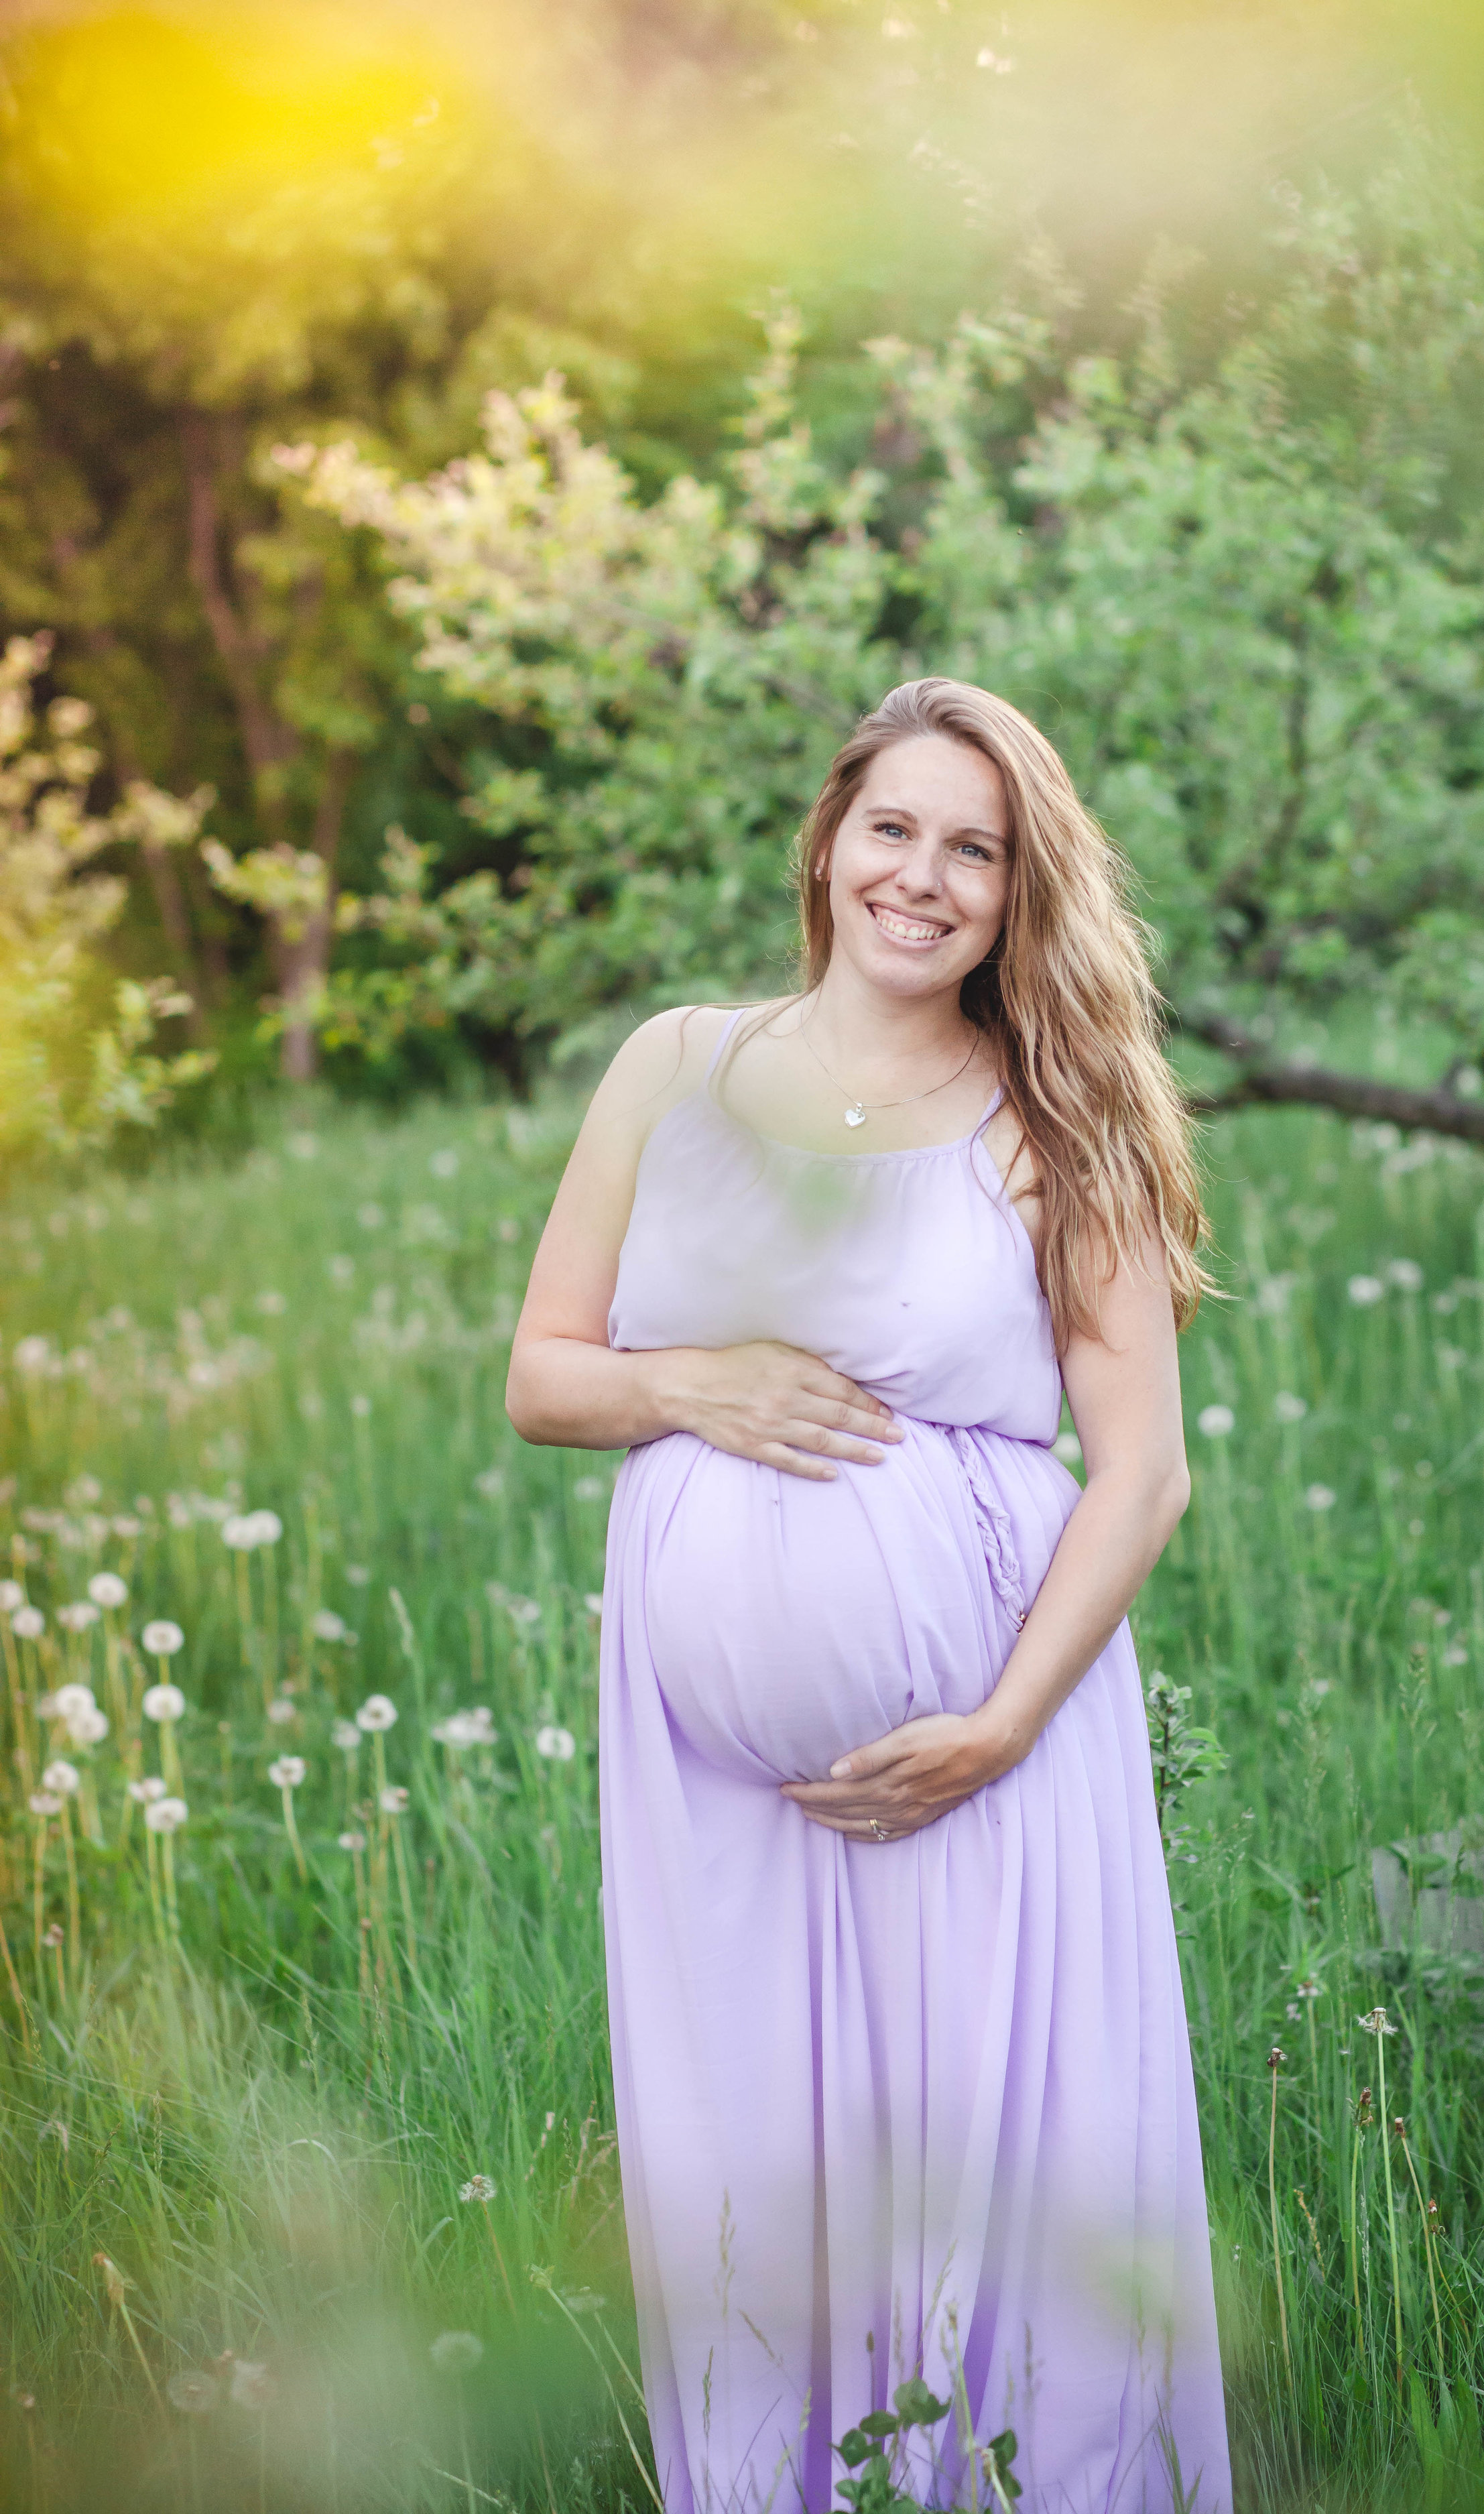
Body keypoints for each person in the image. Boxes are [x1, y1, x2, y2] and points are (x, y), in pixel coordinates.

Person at [507, 678, 1233, 2514]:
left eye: (972, 850)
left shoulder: (1053, 1116)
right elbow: (542, 1373)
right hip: (712, 1789)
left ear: (1016, 894)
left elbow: (1139, 1469)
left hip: (977, 1760)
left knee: (994, 2185)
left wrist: (997, 1728)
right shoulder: (675, 1064)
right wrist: (690, 1381)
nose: (922, 876)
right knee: (757, 2186)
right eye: (892, 828)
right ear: (828, 838)